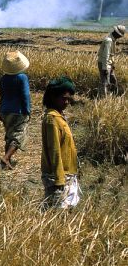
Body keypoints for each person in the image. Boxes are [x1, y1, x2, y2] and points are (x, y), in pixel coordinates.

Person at [40, 76, 80, 210]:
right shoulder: (52, 119)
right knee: (56, 212)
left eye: (69, 99)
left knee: (65, 211)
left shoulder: (59, 117)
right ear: (53, 97)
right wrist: (59, 179)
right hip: (58, 176)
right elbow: (54, 150)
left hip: (67, 173)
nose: (67, 102)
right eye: (63, 98)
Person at [0, 51, 31, 170]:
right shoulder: (22, 77)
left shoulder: (3, 78)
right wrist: (27, 110)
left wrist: (0, 110)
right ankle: (6, 158)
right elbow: (25, 95)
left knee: (9, 134)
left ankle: (7, 162)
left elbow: (2, 95)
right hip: (18, 111)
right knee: (18, 136)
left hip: (5, 110)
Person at [97, 24, 125, 96]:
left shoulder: (113, 39)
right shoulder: (109, 40)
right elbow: (106, 55)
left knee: (113, 80)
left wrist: (112, 64)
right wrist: (105, 68)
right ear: (116, 33)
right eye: (120, 35)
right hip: (104, 63)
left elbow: (111, 54)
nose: (120, 37)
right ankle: (104, 98)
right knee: (105, 82)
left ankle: (114, 96)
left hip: (109, 63)